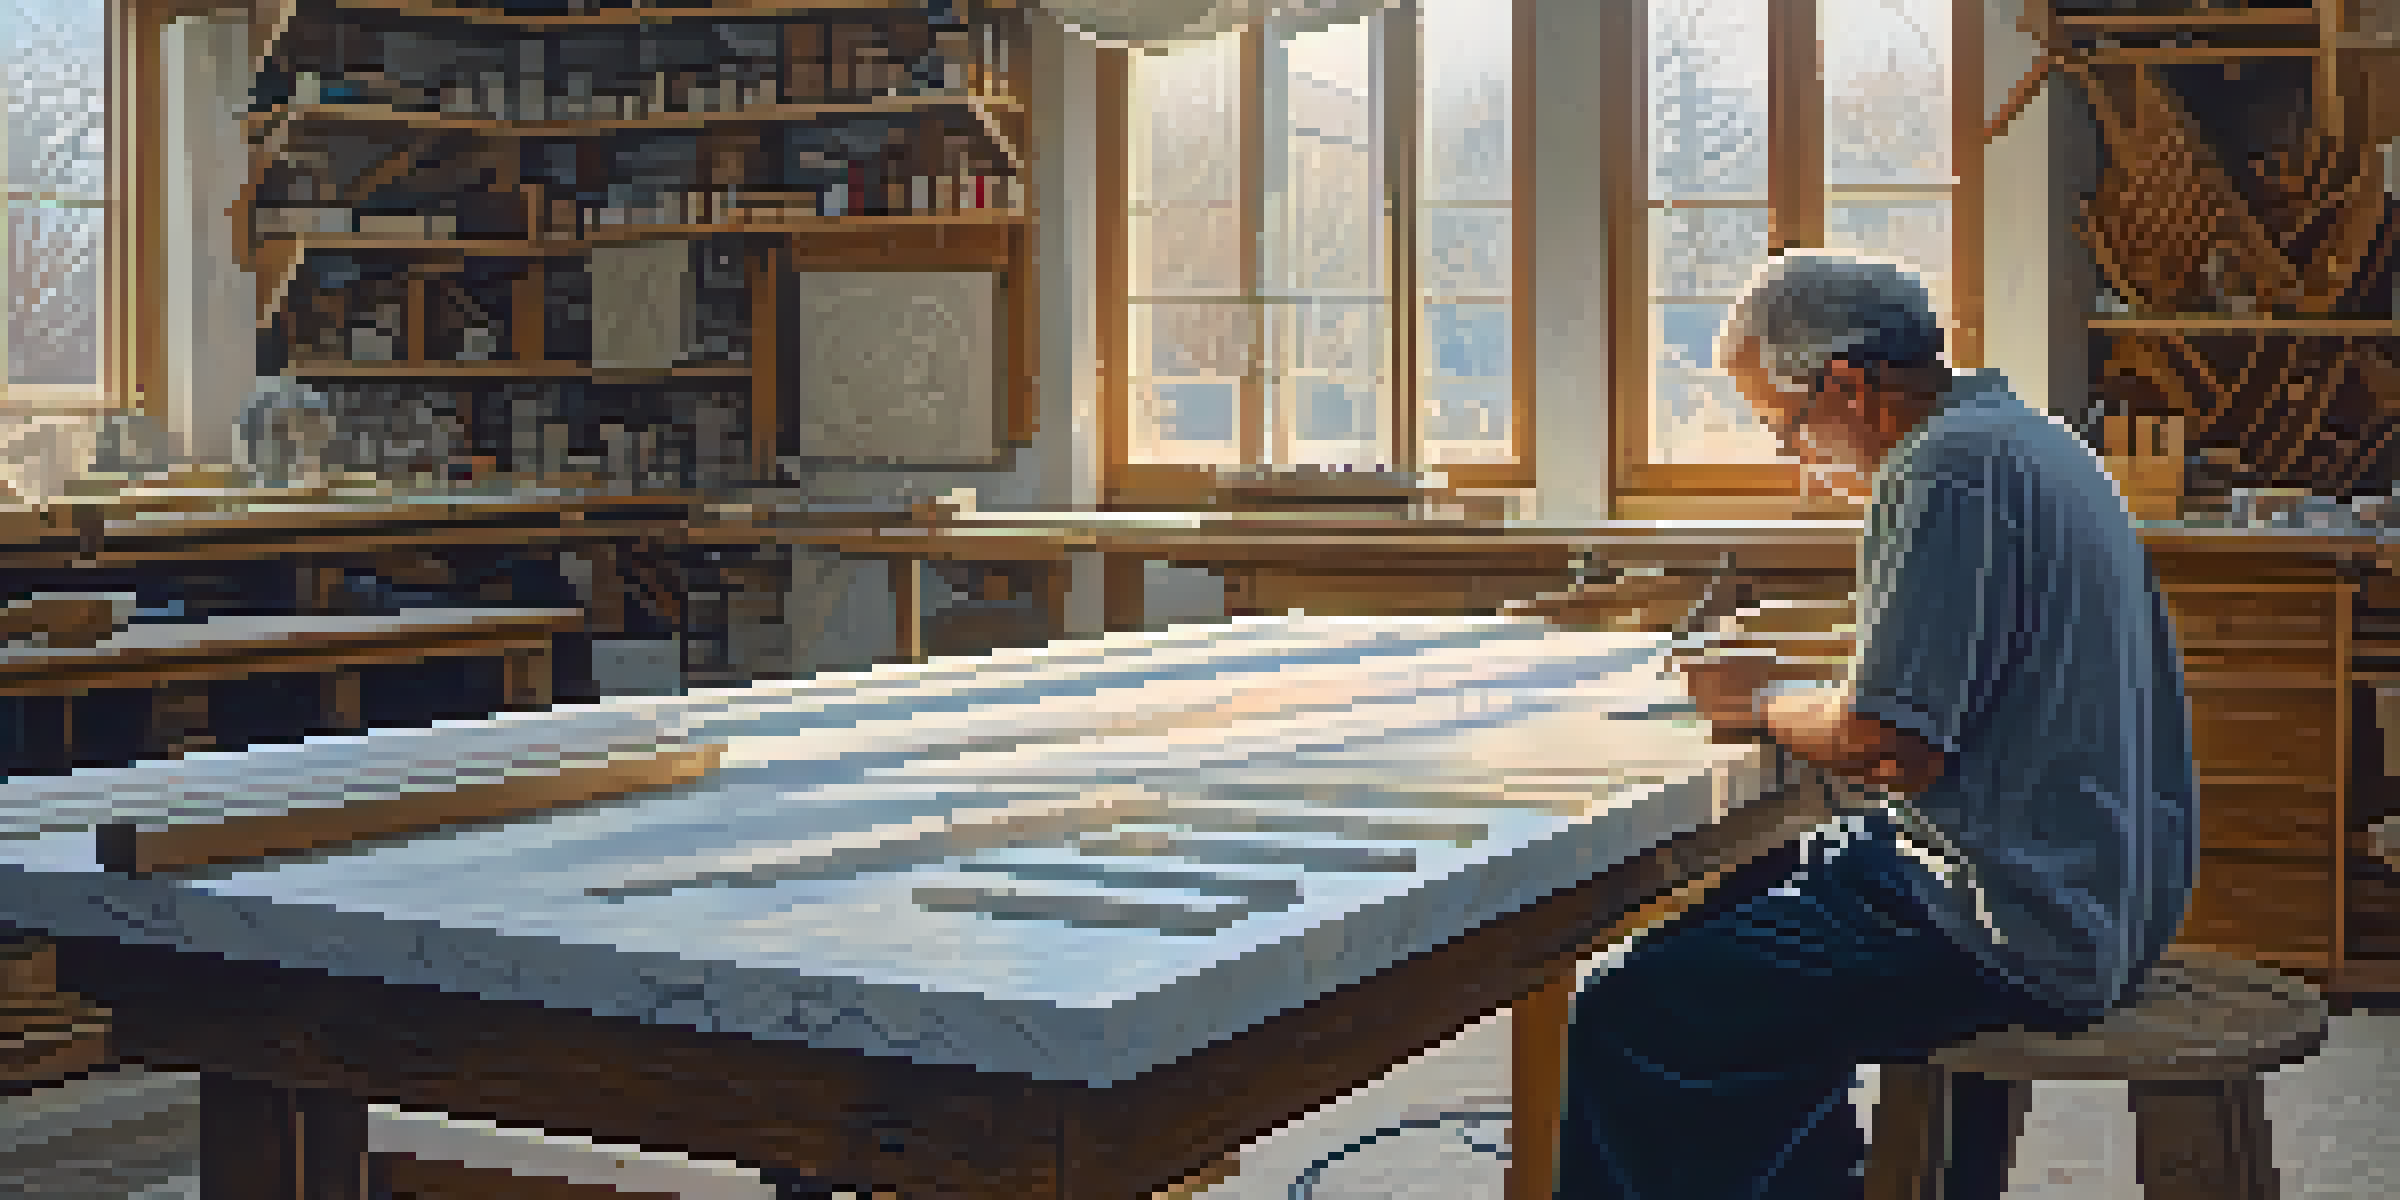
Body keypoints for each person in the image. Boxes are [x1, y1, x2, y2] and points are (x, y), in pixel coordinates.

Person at [1553, 252, 2197, 1199]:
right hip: (2105, 892)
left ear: (1848, 386)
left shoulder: (1943, 469)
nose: (1796, 458)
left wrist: (1756, 704)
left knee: (1629, 1010)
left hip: (2013, 923)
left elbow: (1887, 745)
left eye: (1785, 426)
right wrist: (1808, 686)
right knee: (1748, 897)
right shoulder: (2030, 441)